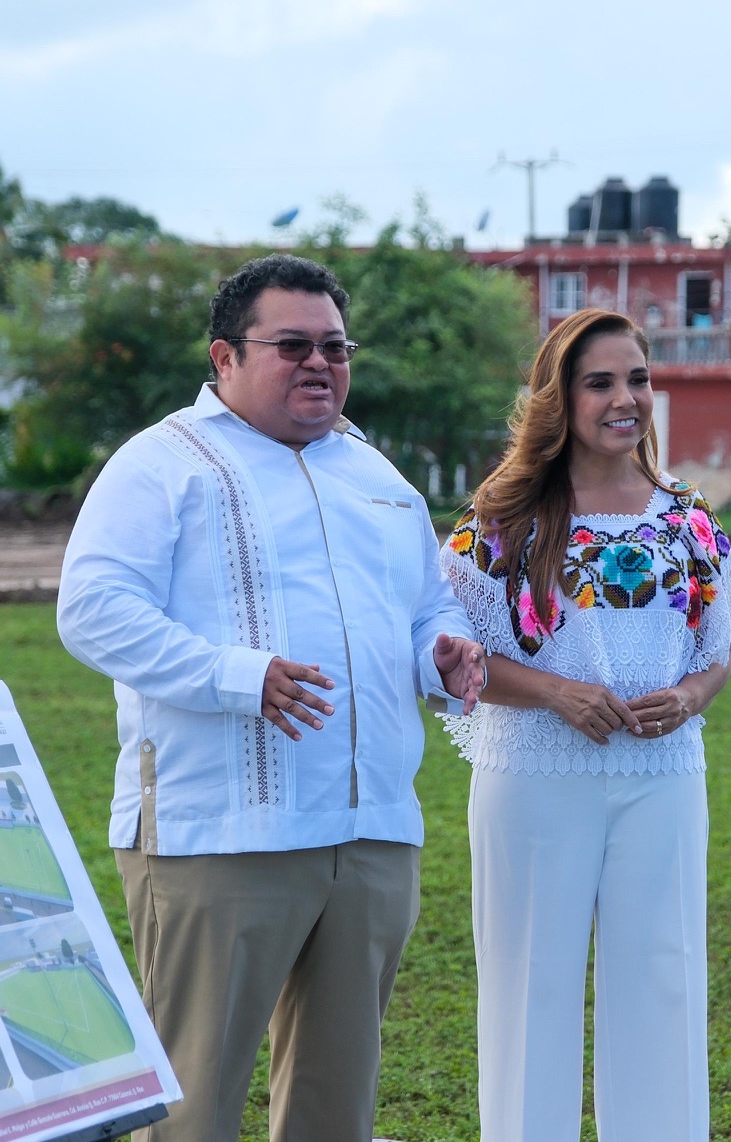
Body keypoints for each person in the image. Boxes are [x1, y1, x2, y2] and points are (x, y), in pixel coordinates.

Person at [57, 253, 488, 1142]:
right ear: (224, 357)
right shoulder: (163, 463)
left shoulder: (371, 469)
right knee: (191, 1104)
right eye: (291, 345)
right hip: (222, 832)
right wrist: (238, 675)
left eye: (335, 345)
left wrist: (440, 654)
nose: (320, 363)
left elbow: (426, 600)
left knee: (338, 1106)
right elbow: (92, 611)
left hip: (370, 832)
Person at [439, 307, 731, 1142]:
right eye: (602, 382)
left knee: (663, 980)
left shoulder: (686, 516)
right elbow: (453, 655)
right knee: (529, 990)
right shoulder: (502, 517)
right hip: (533, 780)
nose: (627, 398)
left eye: (639, 378)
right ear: (560, 396)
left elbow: (715, 647)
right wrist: (553, 691)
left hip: (662, 781)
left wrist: (689, 696)